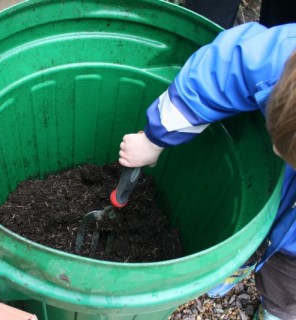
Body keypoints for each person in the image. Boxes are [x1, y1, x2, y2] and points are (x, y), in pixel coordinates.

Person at [118, 22, 296, 320]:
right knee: (243, 241)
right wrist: (155, 137)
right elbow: (222, 69)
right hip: (268, 198)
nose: (276, 151)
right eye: (279, 140)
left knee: (286, 287)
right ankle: (233, 268)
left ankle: (277, 311)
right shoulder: (280, 59)